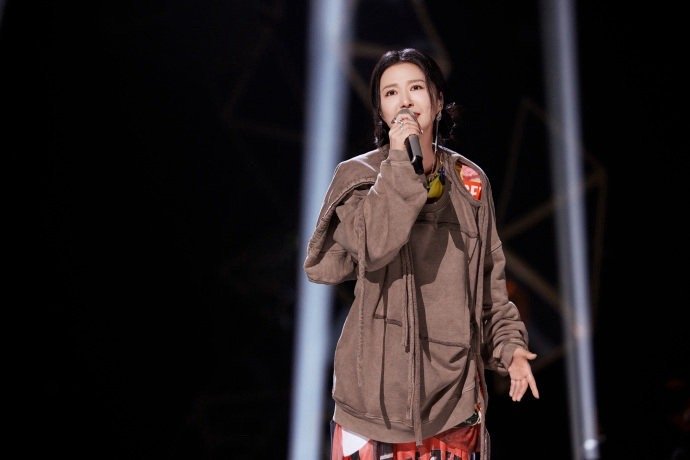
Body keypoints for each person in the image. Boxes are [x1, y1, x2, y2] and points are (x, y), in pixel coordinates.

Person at [304, 48, 539, 460]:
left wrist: (511, 349)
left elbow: (489, 286)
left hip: (453, 403)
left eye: (415, 88)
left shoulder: (470, 183)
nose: (405, 101)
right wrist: (399, 163)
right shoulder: (358, 177)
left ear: (438, 99)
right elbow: (374, 245)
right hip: (373, 406)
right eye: (391, 93)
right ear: (381, 110)